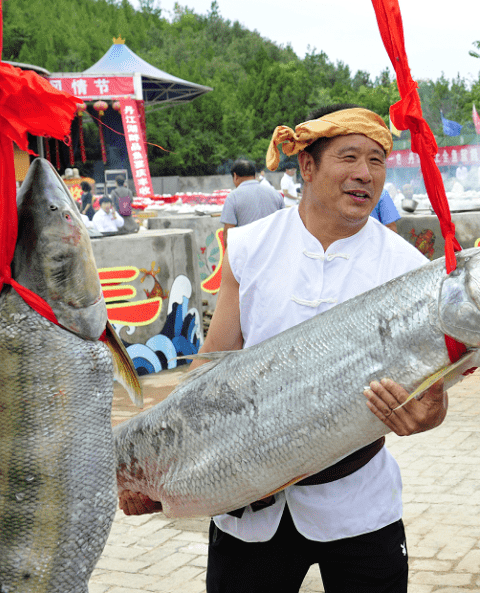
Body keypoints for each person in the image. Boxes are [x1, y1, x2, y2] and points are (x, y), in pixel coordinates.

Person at [118, 105, 447, 593]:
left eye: (377, 160)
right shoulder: (250, 246)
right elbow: (210, 370)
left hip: (358, 502)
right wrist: (153, 463)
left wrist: (431, 413)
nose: (365, 174)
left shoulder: (406, 267)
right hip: (247, 504)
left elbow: (432, 388)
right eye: (350, 157)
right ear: (307, 166)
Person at [221, 158, 284, 238]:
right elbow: (283, 223)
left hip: (247, 249)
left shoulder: (233, 197)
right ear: (255, 176)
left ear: (235, 176)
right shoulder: (275, 194)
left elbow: (229, 232)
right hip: (273, 247)